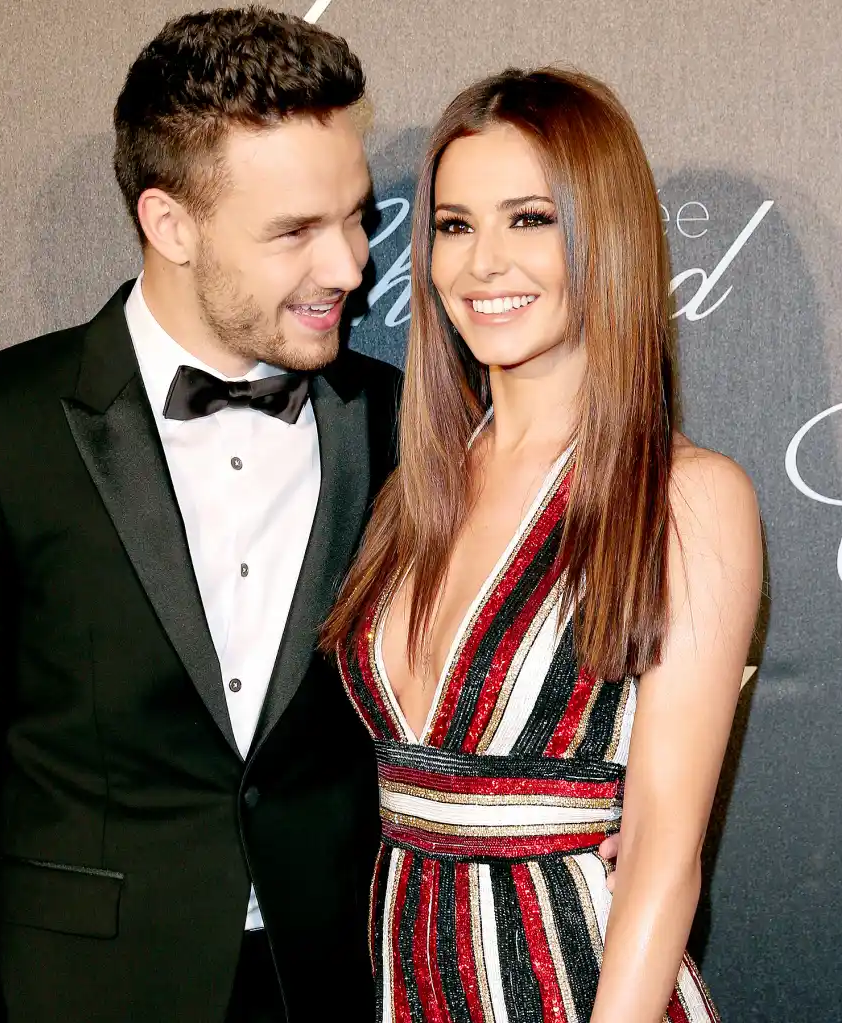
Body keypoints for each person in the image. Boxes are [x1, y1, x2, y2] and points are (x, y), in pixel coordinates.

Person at [0, 9, 402, 1022]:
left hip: (335, 979)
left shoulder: (395, 420)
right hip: (86, 988)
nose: (345, 267)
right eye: (293, 231)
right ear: (171, 225)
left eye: (352, 217)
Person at [323, 67, 762, 1022]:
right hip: (411, 982)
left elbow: (660, 856)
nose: (483, 264)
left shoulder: (684, 497)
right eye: (453, 225)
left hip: (577, 987)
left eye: (529, 219)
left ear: (602, 234)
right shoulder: (416, 489)